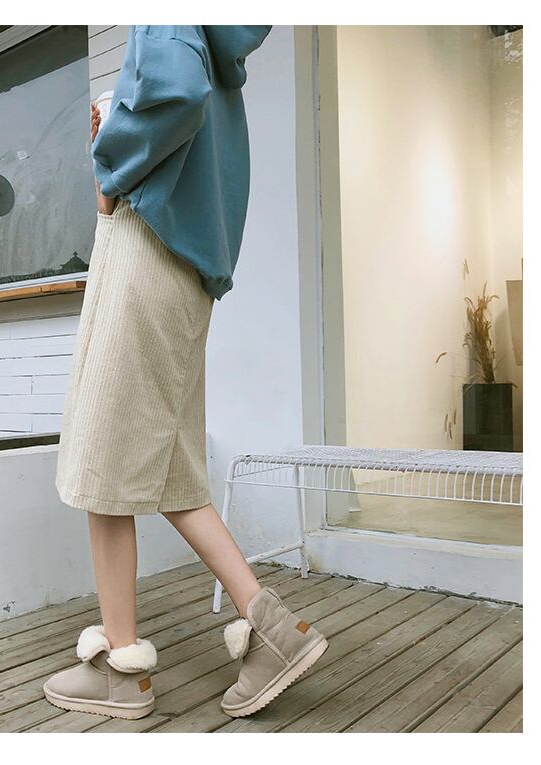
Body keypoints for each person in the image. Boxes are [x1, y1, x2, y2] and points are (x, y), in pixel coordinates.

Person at [44, 25, 328, 721]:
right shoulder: (216, 38)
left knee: (103, 459)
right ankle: (273, 630)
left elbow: (174, 90)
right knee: (171, 469)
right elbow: (188, 107)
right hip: (182, 269)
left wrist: (109, 160)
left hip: (145, 251)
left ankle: (121, 669)